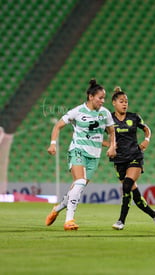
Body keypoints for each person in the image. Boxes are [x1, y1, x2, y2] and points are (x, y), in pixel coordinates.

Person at [45, 79, 116, 230]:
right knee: (80, 182)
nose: (103, 101)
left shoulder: (105, 114)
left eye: (104, 98)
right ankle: (69, 220)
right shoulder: (77, 111)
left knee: (78, 187)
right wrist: (52, 143)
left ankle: (57, 208)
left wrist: (112, 146)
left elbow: (111, 132)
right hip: (78, 150)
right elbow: (58, 125)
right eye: (100, 98)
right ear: (91, 96)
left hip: (94, 156)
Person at [107, 86, 155, 230]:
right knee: (135, 195)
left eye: (126, 101)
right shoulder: (108, 119)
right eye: (121, 101)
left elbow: (146, 129)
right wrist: (110, 146)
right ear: (114, 103)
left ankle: (121, 221)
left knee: (126, 185)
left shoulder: (134, 117)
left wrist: (147, 140)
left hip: (135, 156)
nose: (125, 104)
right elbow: (98, 138)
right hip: (119, 160)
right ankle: (153, 213)